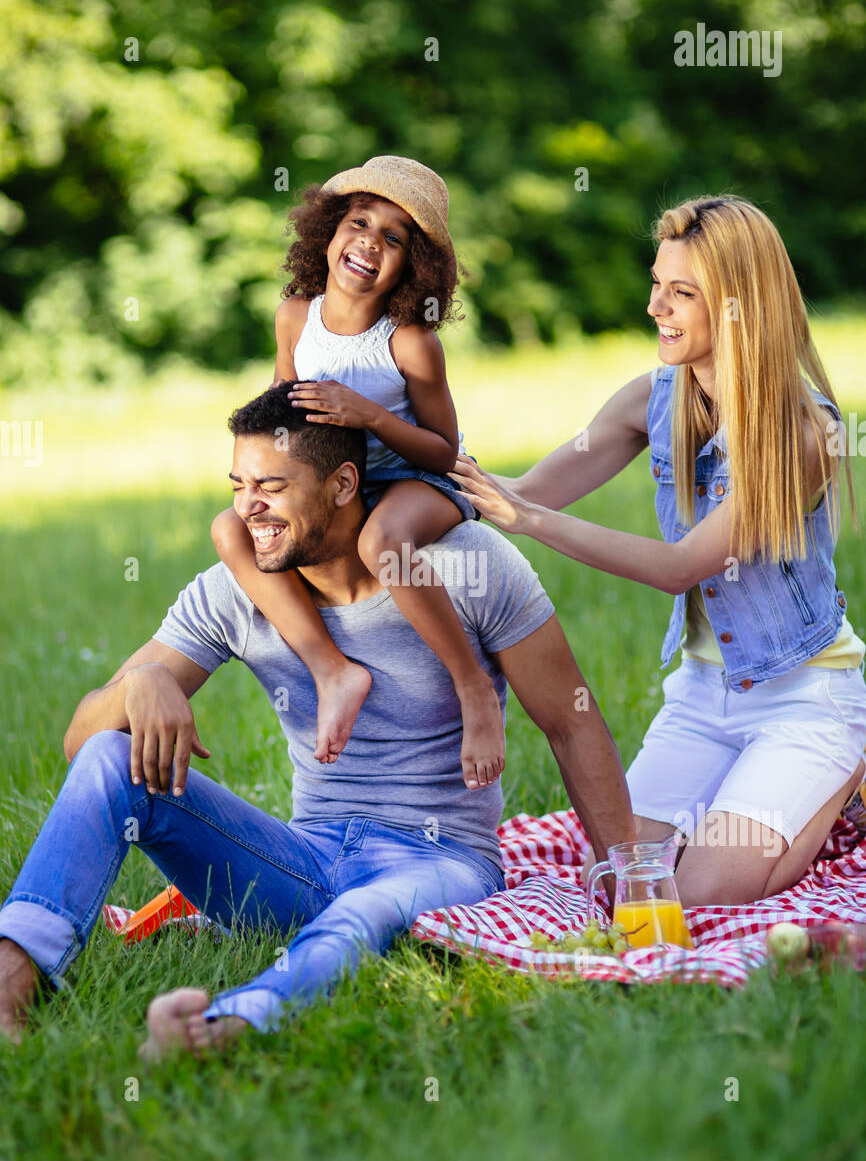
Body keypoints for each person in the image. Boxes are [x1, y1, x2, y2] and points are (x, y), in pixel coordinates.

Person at [0, 384, 635, 1053]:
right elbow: (81, 743)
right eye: (239, 484)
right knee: (110, 756)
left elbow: (572, 723)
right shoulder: (233, 592)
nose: (248, 509)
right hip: (303, 859)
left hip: (440, 858)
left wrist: (631, 883)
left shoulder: (470, 569)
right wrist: (144, 686)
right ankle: (12, 984)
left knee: (365, 909)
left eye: (272, 486)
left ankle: (226, 1027)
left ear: (341, 485)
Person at [452, 195, 866, 907]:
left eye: (682, 294)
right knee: (623, 885)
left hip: (805, 699)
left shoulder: (798, 432)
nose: (656, 308)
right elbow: (530, 489)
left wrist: (527, 522)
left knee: (700, 894)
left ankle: (846, 770)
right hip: (703, 697)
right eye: (656, 285)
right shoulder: (655, 396)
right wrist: (423, 459)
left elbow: (680, 566)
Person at [212, 155, 505, 791]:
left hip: (414, 482)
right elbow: (281, 415)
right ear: (329, 232)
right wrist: (264, 485)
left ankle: (472, 687)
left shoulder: (408, 343)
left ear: (414, 264)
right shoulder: (295, 316)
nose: (369, 244)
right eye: (359, 222)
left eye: (393, 238)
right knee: (228, 530)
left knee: (381, 544)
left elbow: (443, 448)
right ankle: (331, 670)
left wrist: (368, 414)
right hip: (336, 486)